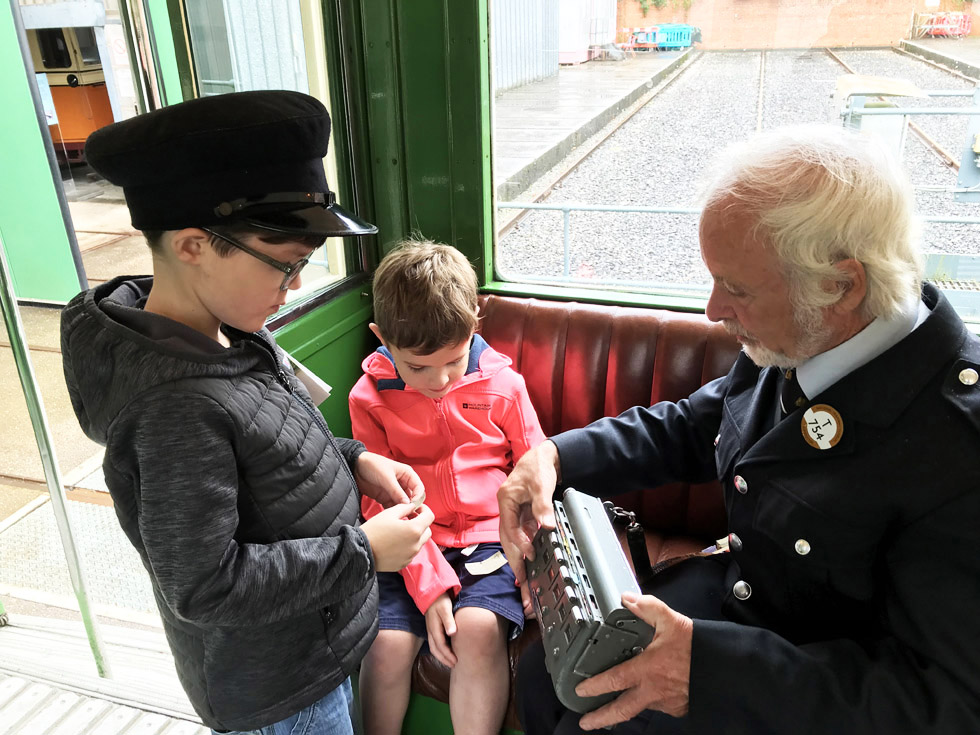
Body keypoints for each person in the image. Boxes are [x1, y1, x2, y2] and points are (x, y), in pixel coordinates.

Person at [497, 124, 980, 734]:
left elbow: (943, 704)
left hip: (805, 687)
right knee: (547, 677)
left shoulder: (960, 448)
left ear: (842, 284)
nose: (712, 310)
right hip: (742, 601)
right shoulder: (801, 336)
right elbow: (700, 427)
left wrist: (714, 674)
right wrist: (554, 459)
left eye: (737, 287)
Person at [61, 91, 436, 735]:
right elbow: (206, 586)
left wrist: (358, 460)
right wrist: (363, 554)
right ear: (191, 246)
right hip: (278, 691)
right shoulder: (173, 407)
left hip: (313, 646)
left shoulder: (224, 326)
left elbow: (272, 444)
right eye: (284, 266)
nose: (293, 288)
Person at [349, 241, 546, 735]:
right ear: (382, 338)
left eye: (454, 361)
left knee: (479, 633)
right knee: (386, 645)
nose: (439, 380)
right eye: (418, 367)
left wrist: (536, 553)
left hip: (487, 538)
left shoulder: (504, 385)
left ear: (475, 325)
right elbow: (379, 501)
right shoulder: (368, 398)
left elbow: (535, 471)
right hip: (408, 541)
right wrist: (430, 585)